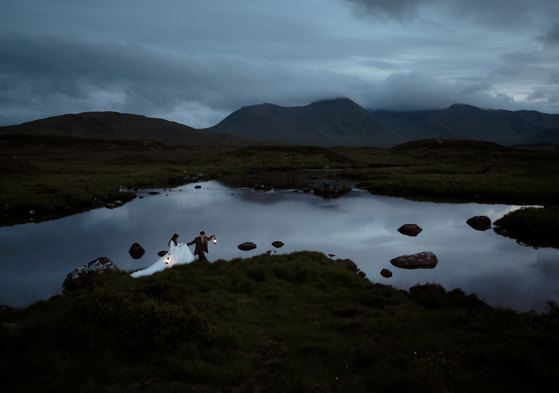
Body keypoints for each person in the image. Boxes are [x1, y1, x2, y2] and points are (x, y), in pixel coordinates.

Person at [130, 233, 195, 278]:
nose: (178, 239)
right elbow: (172, 248)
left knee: (184, 248)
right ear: (175, 238)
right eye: (177, 238)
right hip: (174, 253)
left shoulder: (175, 242)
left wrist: (183, 244)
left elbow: (178, 245)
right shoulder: (172, 242)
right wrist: (169, 254)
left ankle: (182, 265)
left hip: (177, 252)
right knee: (168, 262)